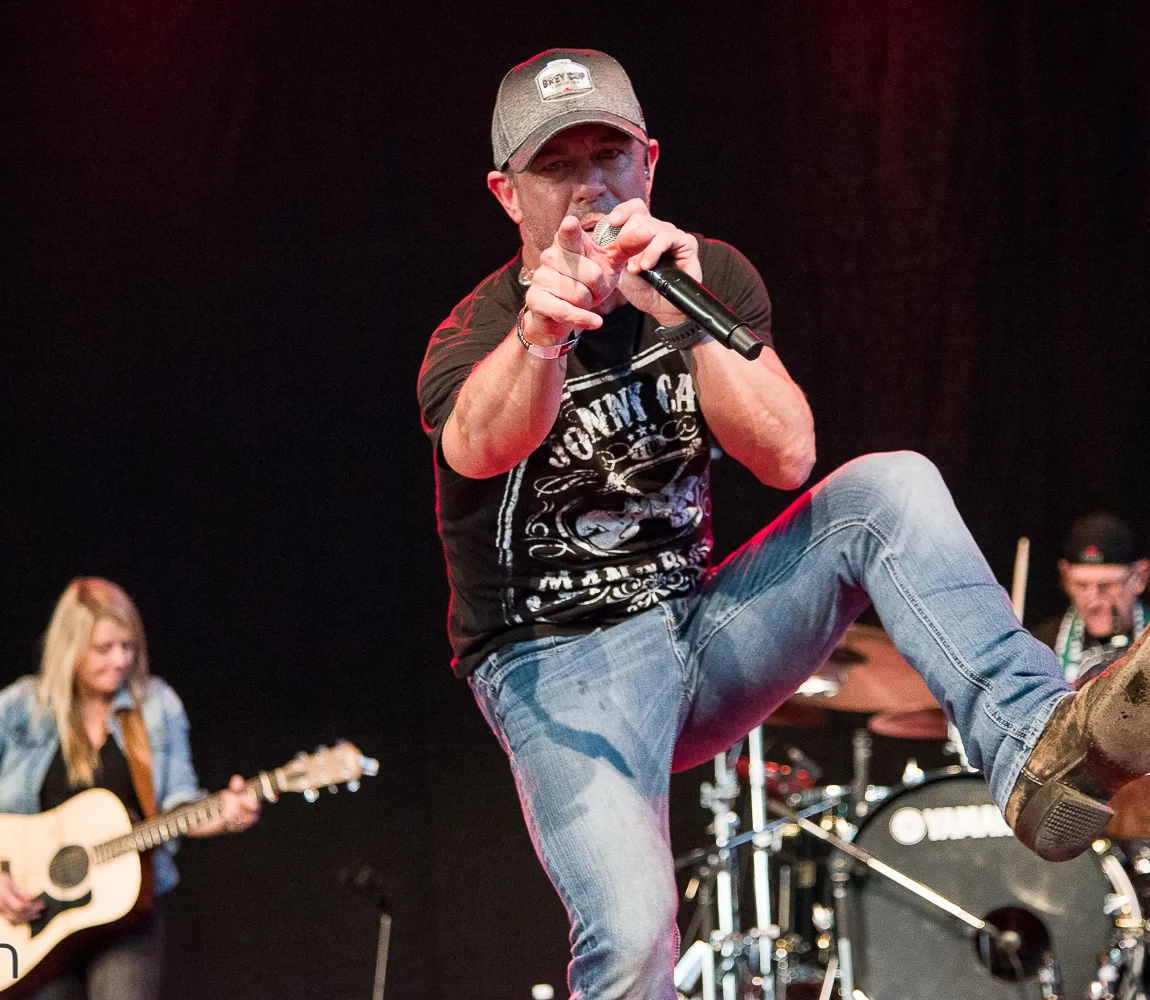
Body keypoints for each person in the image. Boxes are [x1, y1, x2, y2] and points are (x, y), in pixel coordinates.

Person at [417, 48, 1150, 998]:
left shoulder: (704, 276)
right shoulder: (479, 331)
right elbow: (478, 446)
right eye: (556, 167)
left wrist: (688, 318)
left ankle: (1034, 753)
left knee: (888, 487)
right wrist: (542, 333)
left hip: (697, 627)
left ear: (649, 165)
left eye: (610, 156)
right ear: (508, 195)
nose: (589, 187)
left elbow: (787, 456)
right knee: (637, 938)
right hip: (556, 663)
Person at [0, 578, 260, 1000]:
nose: (120, 660)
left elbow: (180, 803)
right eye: (104, 648)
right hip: (30, 917)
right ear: (70, 646)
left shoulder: (156, 705)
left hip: (125, 913)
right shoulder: (19, 709)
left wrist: (225, 814)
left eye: (129, 646)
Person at [1031, 513, 1149, 684]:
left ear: (1140, 578)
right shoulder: (1039, 648)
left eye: (1106, 586)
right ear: (1064, 576)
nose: (1094, 602)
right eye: (1081, 585)